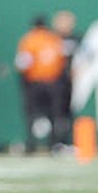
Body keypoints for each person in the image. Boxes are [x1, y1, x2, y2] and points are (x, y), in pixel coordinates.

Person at [16, 15, 65, 154]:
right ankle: (54, 144)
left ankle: (31, 144)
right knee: (54, 114)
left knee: (32, 114)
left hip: (35, 83)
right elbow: (61, 62)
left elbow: (23, 63)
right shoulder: (54, 39)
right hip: (53, 82)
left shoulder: (29, 39)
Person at [52, 10, 83, 150]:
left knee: (69, 112)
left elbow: (88, 56)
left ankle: (69, 142)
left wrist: (79, 69)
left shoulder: (77, 39)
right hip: (54, 81)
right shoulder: (50, 38)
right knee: (55, 111)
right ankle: (56, 142)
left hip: (70, 81)